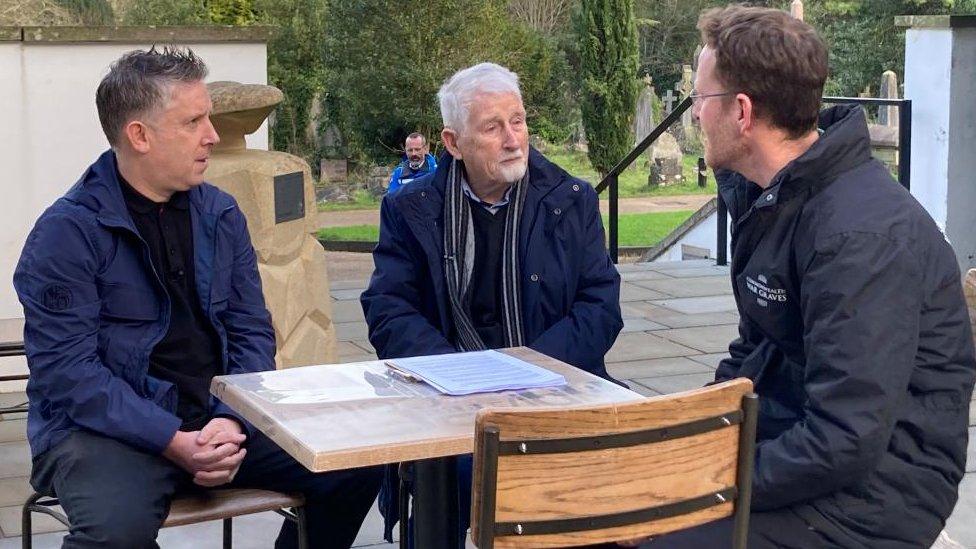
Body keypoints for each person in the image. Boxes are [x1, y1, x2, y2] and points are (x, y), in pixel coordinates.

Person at [14, 47, 381, 549]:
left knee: (356, 462)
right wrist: (172, 439)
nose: (211, 134)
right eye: (193, 121)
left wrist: (231, 418)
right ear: (139, 135)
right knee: (113, 534)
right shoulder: (66, 233)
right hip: (107, 434)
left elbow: (252, 329)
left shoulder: (219, 213)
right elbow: (68, 375)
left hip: (218, 419)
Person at [643, 5, 975, 548]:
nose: (696, 114)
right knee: (594, 513)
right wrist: (678, 439)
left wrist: (697, 486)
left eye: (701, 100)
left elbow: (846, 439)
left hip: (877, 496)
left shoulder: (859, 238)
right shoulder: (770, 198)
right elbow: (755, 352)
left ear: (742, 112)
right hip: (800, 447)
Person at [360, 62, 623, 546]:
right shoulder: (410, 209)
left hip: (559, 388)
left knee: (638, 459)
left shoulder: (571, 199)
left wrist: (529, 374)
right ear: (454, 143)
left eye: (518, 121)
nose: (512, 139)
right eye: (492, 127)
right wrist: (457, 380)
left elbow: (600, 305)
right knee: (458, 474)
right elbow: (388, 308)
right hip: (449, 401)